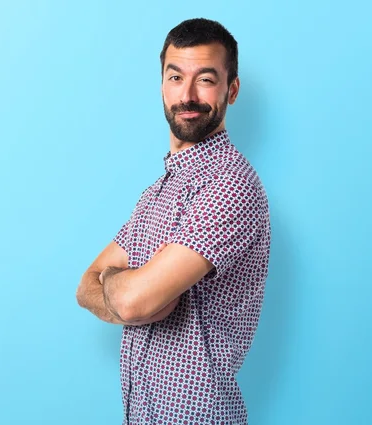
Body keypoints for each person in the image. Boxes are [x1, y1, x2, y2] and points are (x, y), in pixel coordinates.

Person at [76, 18, 271, 425]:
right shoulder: (156, 193)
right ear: (162, 85)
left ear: (231, 90)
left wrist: (123, 290)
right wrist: (125, 288)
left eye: (205, 79)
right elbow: (85, 286)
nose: (187, 95)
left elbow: (133, 302)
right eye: (175, 76)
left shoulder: (230, 185)